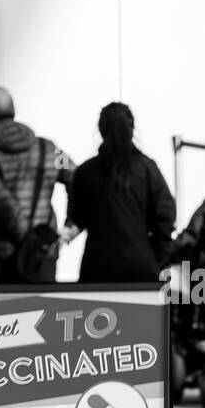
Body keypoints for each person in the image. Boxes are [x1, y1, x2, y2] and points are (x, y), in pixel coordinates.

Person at [0, 86, 76, 283]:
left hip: (6, 252)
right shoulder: (48, 148)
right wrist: (69, 229)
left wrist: (28, 237)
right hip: (45, 250)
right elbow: (77, 178)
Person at [68, 102, 176, 283]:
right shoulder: (147, 169)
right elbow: (165, 216)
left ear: (101, 130)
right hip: (141, 268)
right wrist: (157, 255)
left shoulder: (85, 172)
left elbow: (77, 217)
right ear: (132, 129)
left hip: (96, 269)